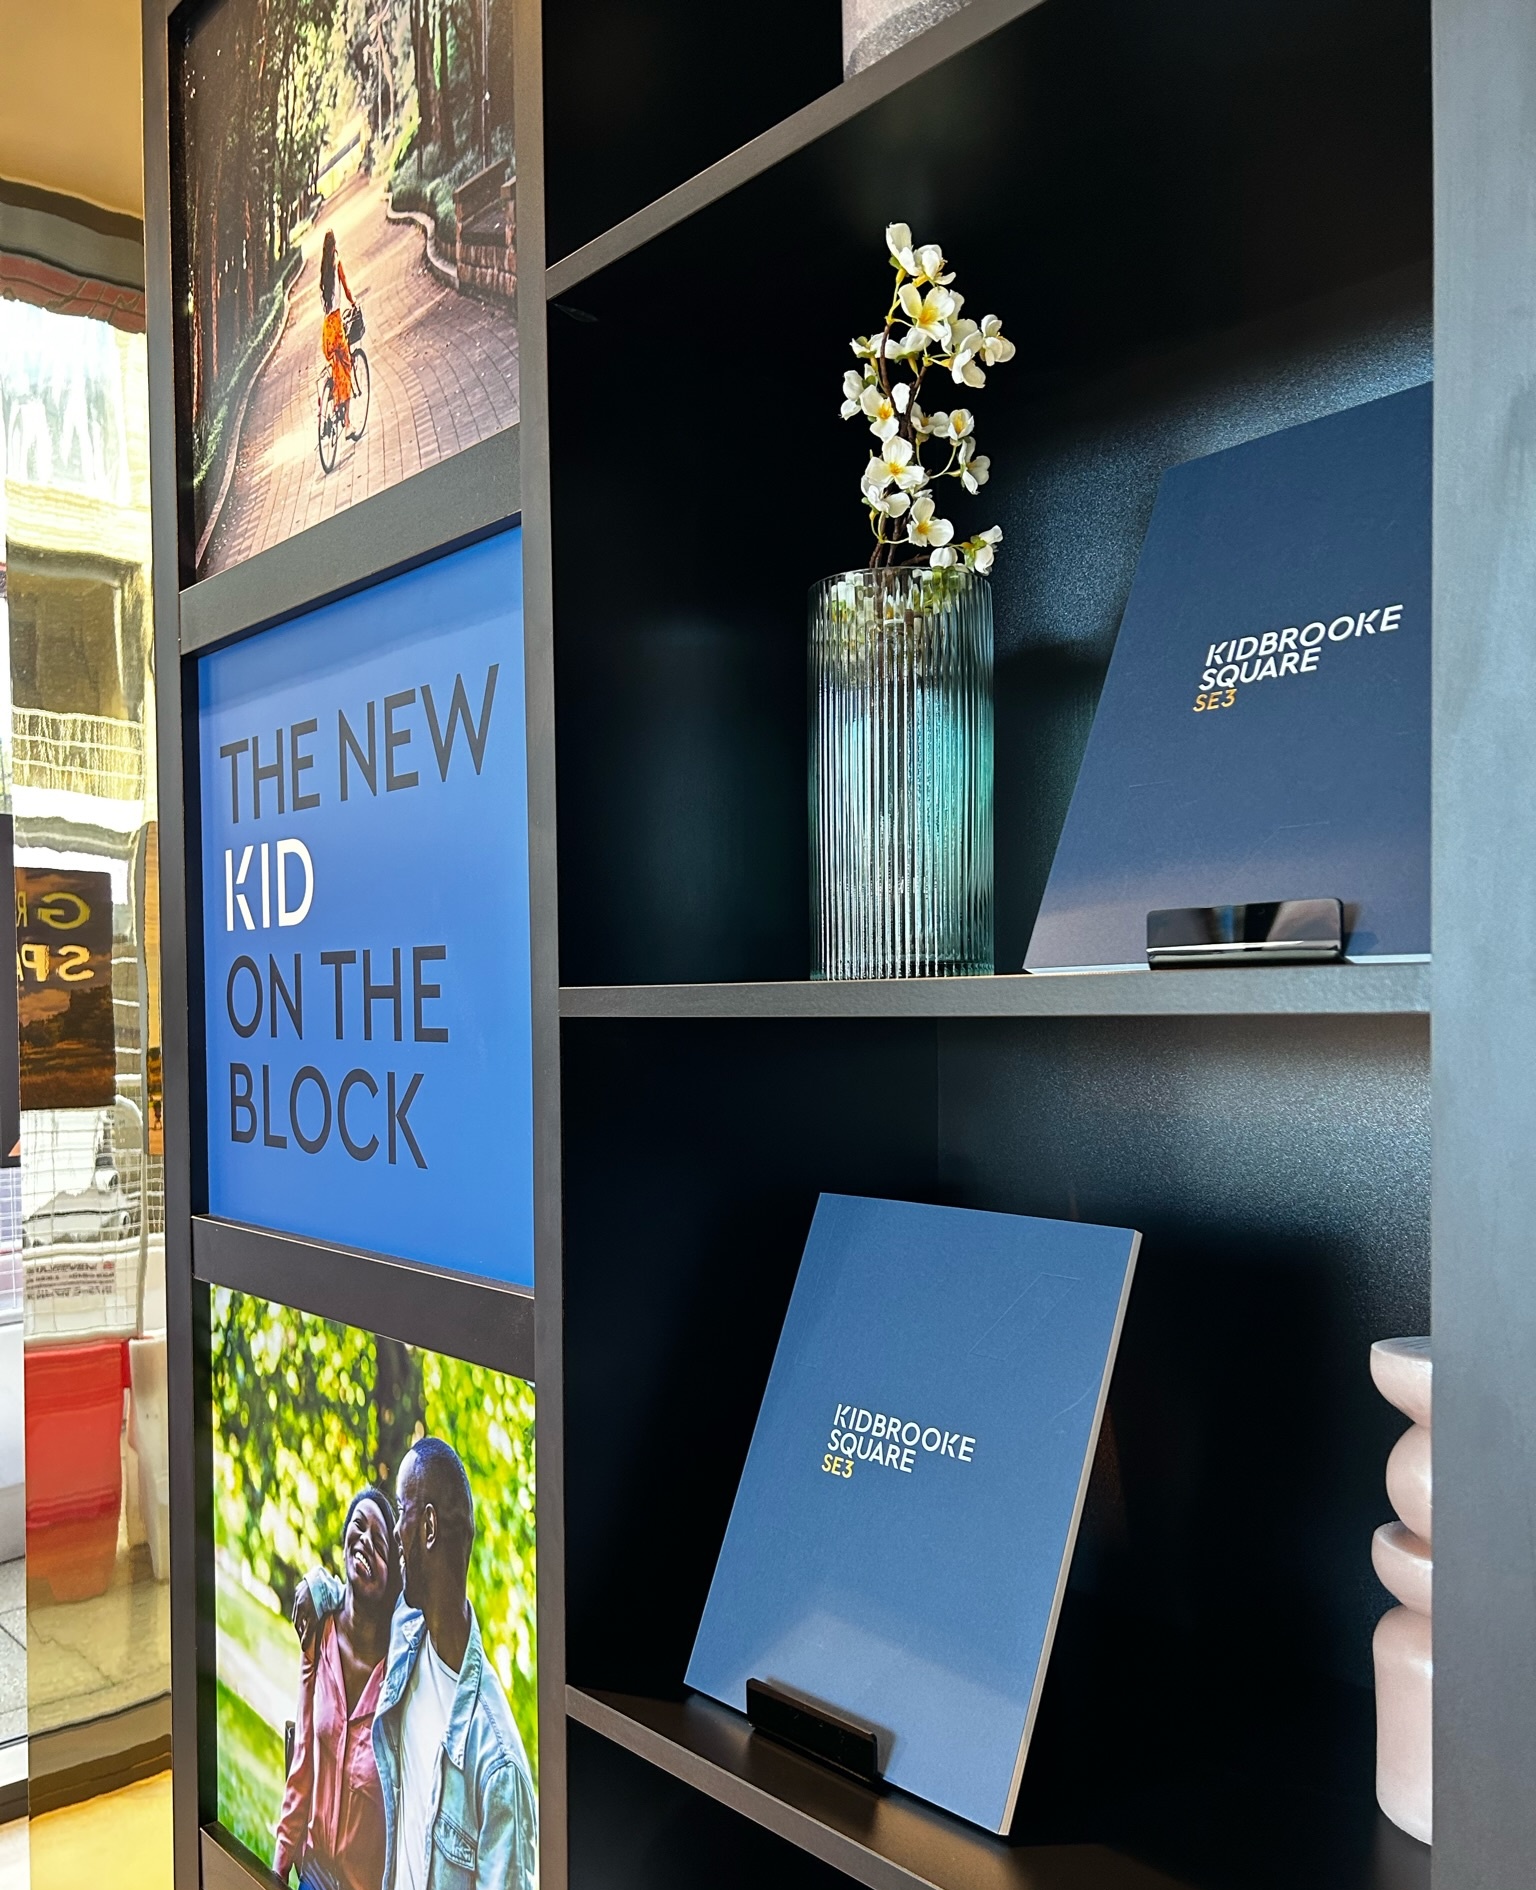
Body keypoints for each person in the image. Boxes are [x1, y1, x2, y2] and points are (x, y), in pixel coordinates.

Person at [296, 1440, 538, 1890]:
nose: (391, 1539)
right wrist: (315, 1587)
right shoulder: (408, 1628)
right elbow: (352, 1591)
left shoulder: (498, 1768)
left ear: (427, 1527)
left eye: (400, 1511)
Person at [274, 1486, 402, 1890]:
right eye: (358, 1526)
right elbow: (303, 1762)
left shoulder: (398, 1679)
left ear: (394, 1579)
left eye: (379, 1543)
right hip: (312, 1872)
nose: (364, 1540)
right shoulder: (320, 1633)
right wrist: (278, 1869)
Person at [319, 229, 358, 437]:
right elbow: (346, 289)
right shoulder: (336, 263)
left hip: (326, 328)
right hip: (336, 325)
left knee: (336, 368)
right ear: (334, 247)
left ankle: (333, 406)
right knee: (347, 366)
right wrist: (353, 302)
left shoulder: (322, 270)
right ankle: (347, 424)